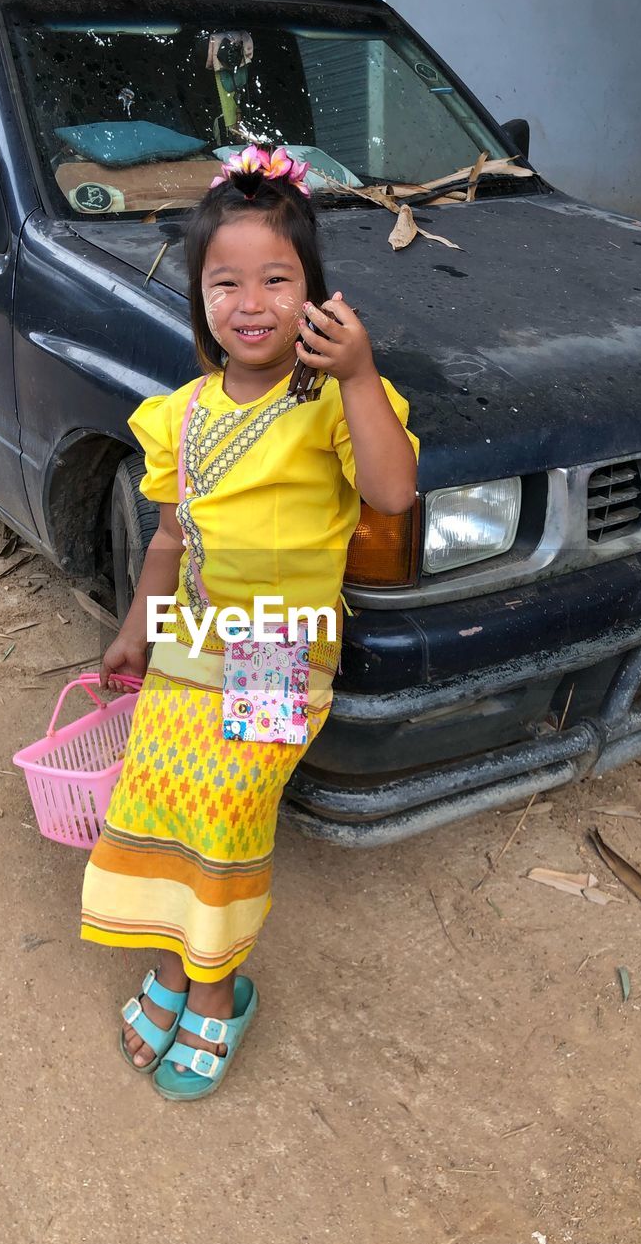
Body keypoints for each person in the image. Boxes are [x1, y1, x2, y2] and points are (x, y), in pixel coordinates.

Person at [80, 145, 419, 1101]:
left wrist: (359, 373)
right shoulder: (180, 417)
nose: (252, 300)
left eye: (278, 277)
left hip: (276, 644)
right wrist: (134, 630)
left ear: (316, 293)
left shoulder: (330, 406)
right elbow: (171, 532)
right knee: (163, 797)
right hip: (190, 641)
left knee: (228, 812)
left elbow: (392, 489)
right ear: (201, 301)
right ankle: (182, 959)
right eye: (226, 281)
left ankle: (217, 988)